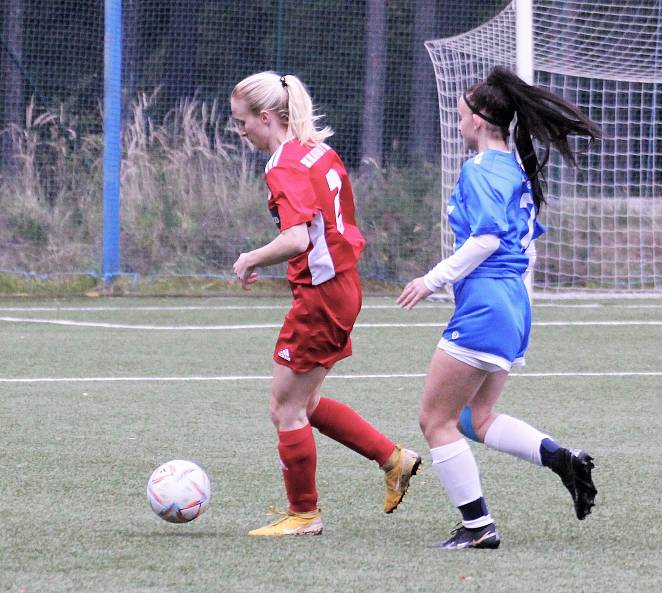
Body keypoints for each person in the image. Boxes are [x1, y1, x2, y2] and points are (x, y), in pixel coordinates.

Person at [397, 66, 601, 550]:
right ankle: (561, 459)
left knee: (435, 421)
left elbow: (487, 237)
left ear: (482, 120)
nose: (458, 122)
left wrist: (433, 280)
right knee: (474, 417)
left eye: (462, 114)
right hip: (513, 303)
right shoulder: (518, 170)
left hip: (488, 305)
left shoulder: (482, 169)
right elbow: (525, 250)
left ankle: (477, 526)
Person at [230, 71, 420, 537]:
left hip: (322, 295)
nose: (240, 132)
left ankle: (304, 515)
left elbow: (297, 237)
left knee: (285, 408)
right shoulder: (318, 150)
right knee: (306, 401)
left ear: (267, 116)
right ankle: (394, 460)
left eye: (242, 123)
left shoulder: (283, 165)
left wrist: (252, 258)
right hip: (341, 285)